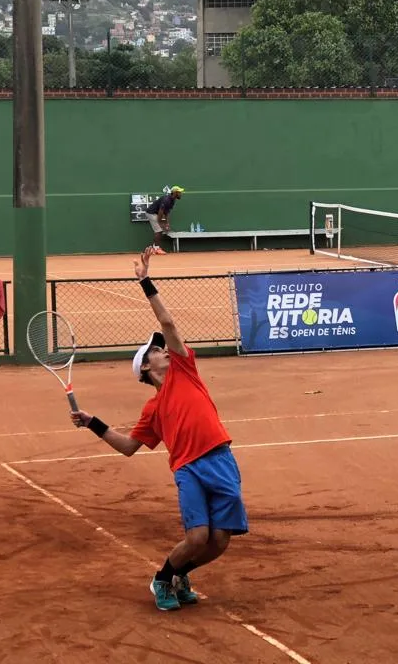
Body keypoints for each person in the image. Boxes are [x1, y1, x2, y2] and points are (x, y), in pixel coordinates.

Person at [69, 245, 248, 612]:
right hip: (189, 470)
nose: (163, 348)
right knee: (197, 536)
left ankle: (181, 573)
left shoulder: (185, 369)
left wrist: (146, 282)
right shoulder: (153, 407)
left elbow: (169, 324)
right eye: (155, 350)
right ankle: (163, 578)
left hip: (221, 459)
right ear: (146, 369)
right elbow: (129, 446)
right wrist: (93, 423)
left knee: (219, 542)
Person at [145, 186, 184, 252]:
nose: (181, 194)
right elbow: (161, 212)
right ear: (174, 193)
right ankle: (156, 248)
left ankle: (154, 248)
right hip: (151, 213)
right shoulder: (166, 200)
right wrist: (160, 222)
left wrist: (167, 223)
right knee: (159, 231)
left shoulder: (173, 200)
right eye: (179, 192)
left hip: (156, 214)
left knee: (160, 230)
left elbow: (166, 212)